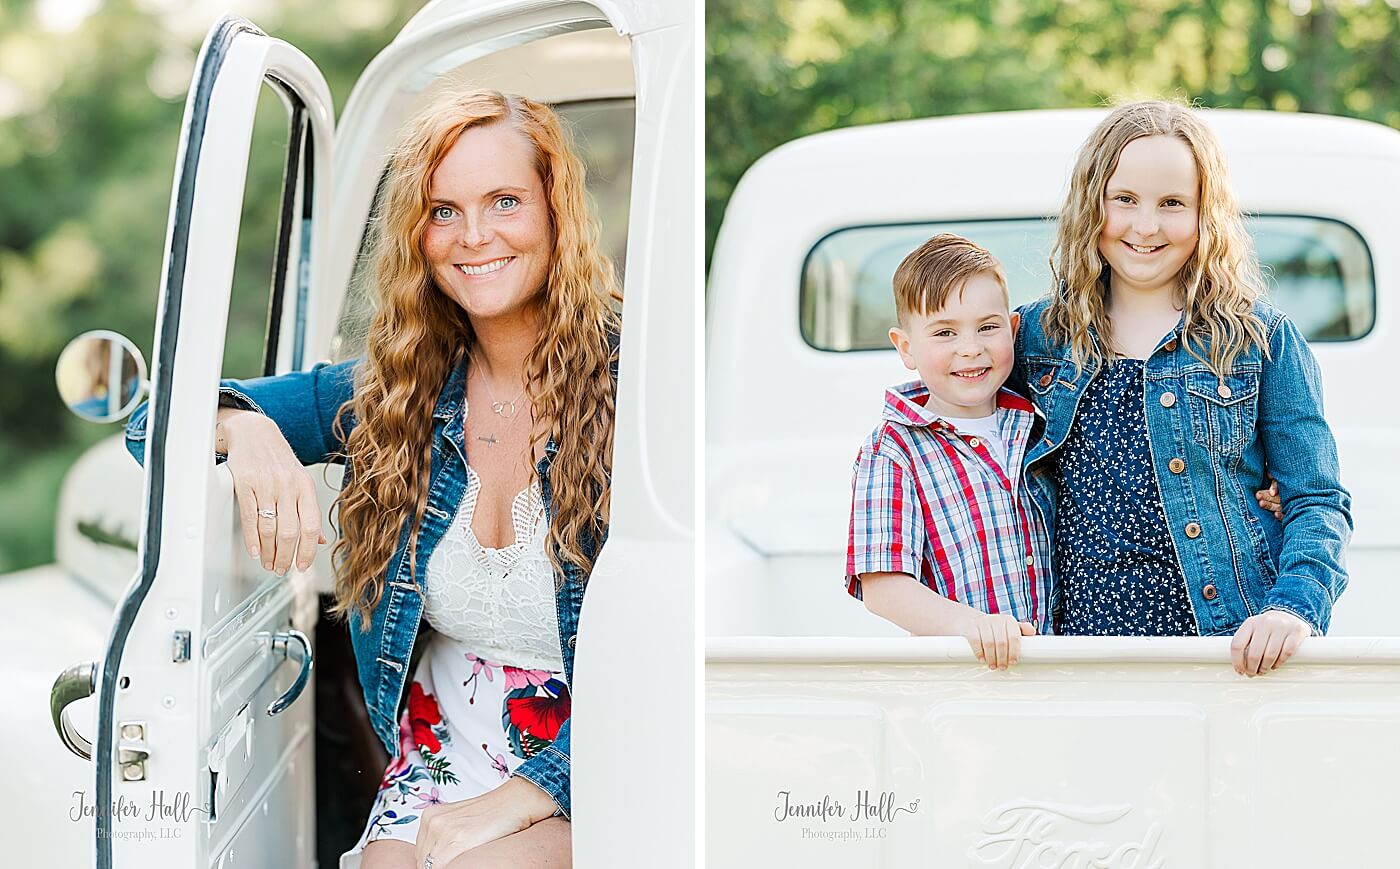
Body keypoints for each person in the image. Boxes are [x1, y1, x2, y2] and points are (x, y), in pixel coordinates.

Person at [125, 88, 621, 869]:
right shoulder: (395, 388)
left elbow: (682, 643)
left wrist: (528, 794)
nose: (476, 235)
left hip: (604, 749)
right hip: (442, 740)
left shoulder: (637, 382)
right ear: (417, 233)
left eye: (504, 201)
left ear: (556, 209)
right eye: (444, 210)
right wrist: (243, 430)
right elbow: (149, 425)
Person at [1012, 99, 1351, 676]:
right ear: (1091, 203)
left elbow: (1317, 500)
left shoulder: (1258, 338)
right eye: (1124, 200)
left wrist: (1293, 609)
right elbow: (956, 443)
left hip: (1225, 653)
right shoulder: (1035, 339)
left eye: (1172, 204)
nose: (1146, 226)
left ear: (1205, 214)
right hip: (1072, 659)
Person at [845, 233, 1050, 670]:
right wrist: (969, 624)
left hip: (1059, 670)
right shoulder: (892, 450)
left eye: (988, 327)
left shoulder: (1038, 424)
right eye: (944, 332)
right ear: (906, 347)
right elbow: (883, 585)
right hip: (966, 680)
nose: (970, 348)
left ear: (1013, 330)